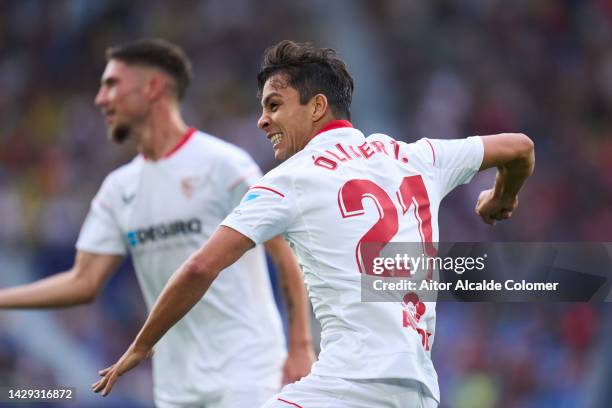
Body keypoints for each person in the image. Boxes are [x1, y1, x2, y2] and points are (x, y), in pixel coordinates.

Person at [92, 40, 535, 407]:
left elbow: (199, 267)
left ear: (318, 106)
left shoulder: (291, 179)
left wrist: (143, 345)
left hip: (348, 387)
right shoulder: (417, 156)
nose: (263, 119)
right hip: (418, 390)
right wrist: (501, 198)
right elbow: (519, 147)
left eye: (275, 105)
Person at [0, 39, 315, 408]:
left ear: (153, 88)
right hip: (173, 389)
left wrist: (300, 346)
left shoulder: (224, 165)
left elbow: (284, 254)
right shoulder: (118, 189)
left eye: (112, 85)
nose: (101, 99)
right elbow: (83, 281)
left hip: (247, 374)